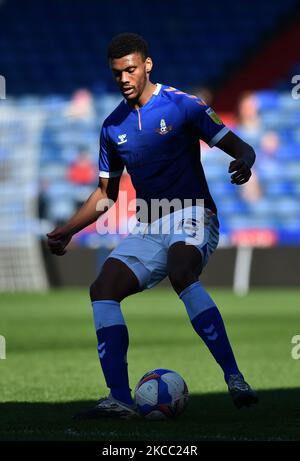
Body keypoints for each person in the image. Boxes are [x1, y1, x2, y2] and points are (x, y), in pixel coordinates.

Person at [47, 33, 258, 419]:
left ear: (147, 65)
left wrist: (244, 161)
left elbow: (242, 147)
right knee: (102, 288)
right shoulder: (113, 127)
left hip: (193, 213)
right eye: (117, 73)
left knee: (181, 271)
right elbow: (104, 195)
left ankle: (235, 378)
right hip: (150, 225)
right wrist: (67, 230)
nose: (124, 78)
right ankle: (119, 399)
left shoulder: (184, 106)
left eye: (130, 69)